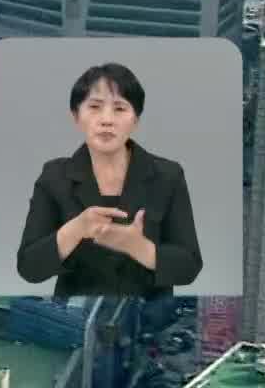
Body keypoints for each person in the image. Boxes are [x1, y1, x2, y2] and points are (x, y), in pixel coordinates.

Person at [15, 62, 203, 298]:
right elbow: (29, 268)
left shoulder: (168, 176)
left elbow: (190, 266)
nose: (106, 120)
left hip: (147, 322)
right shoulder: (55, 177)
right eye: (94, 107)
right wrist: (76, 229)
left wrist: (139, 248)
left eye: (120, 109)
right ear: (76, 116)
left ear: (135, 119)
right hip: (75, 322)